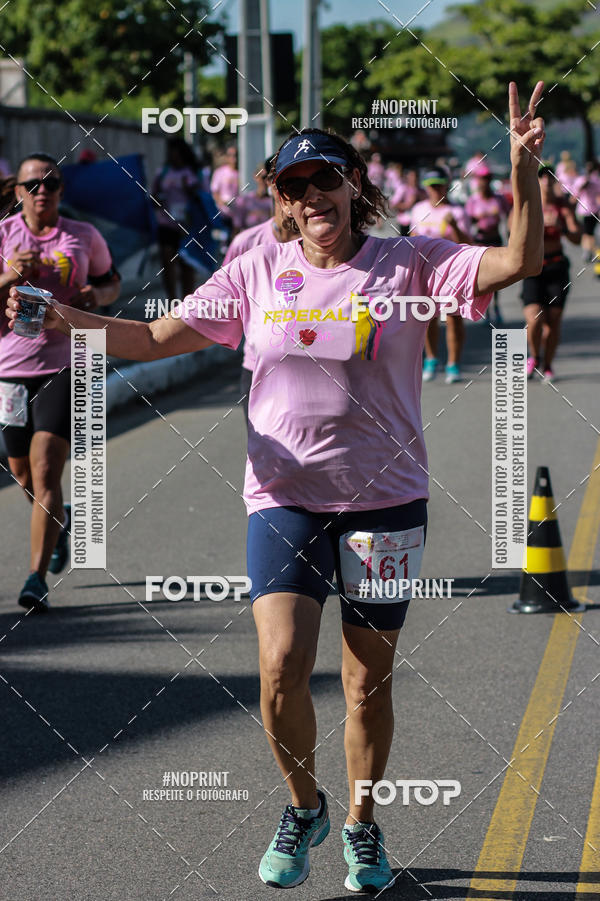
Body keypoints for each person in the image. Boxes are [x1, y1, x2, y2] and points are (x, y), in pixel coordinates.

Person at [6, 83, 545, 893]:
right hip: (283, 495)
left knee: (366, 682)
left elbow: (520, 262)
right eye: (294, 188)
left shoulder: (410, 261)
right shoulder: (257, 263)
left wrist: (526, 171)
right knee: (281, 664)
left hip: (387, 498)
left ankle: (363, 823)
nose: (311, 197)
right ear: (282, 202)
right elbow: (157, 335)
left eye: (324, 180)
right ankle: (305, 806)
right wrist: (67, 323)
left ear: (353, 185)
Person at [0, 152, 121, 611]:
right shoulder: (4, 237)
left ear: (61, 190)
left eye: (50, 183)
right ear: (18, 193)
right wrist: (11, 273)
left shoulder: (83, 236)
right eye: (32, 185)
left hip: (65, 363)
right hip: (9, 370)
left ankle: (35, 578)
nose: (41, 191)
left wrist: (98, 294)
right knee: (22, 472)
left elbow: (112, 283)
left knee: (48, 466)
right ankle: (60, 520)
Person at [222, 160, 298, 423]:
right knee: (264, 458)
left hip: (316, 367)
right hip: (257, 368)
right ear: (270, 186)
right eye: (282, 181)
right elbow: (224, 303)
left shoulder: (325, 244)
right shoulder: (246, 243)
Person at [409, 165, 473, 383]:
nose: (435, 191)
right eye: (431, 187)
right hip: (424, 271)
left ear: (447, 186)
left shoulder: (456, 211)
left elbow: (468, 244)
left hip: (451, 271)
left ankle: (453, 364)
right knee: (427, 318)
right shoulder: (418, 209)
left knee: (453, 320)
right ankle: (431, 358)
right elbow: (411, 239)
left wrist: (455, 227)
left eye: (439, 186)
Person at [519, 164, 581, 383]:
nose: (546, 181)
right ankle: (534, 356)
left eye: (550, 177)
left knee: (553, 321)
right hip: (533, 268)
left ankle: (548, 365)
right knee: (534, 319)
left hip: (556, 268)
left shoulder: (562, 207)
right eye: (542, 177)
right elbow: (512, 233)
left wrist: (562, 228)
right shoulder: (527, 204)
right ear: (537, 180)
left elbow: (577, 237)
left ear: (554, 181)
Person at [152, 137, 200, 301]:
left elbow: (203, 198)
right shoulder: (163, 172)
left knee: (186, 264)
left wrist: (190, 190)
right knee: (167, 260)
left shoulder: (193, 173)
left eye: (177, 153)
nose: (174, 156)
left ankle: (187, 300)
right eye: (171, 153)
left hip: (188, 224)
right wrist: (157, 199)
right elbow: (153, 196)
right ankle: (172, 300)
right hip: (166, 223)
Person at [465, 164, 511, 324]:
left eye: (487, 178)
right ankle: (484, 308)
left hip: (495, 240)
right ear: (478, 181)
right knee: (482, 278)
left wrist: (512, 235)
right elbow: (467, 222)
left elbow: (510, 214)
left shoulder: (498, 199)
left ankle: (496, 306)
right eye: (482, 178)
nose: (485, 181)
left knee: (497, 277)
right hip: (480, 241)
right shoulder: (473, 201)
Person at [230, 162, 272, 235]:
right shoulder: (244, 201)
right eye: (263, 177)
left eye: (269, 178)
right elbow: (236, 228)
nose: (266, 181)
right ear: (256, 177)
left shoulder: (274, 201)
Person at [572, 160, 600, 262]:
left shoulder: (595, 180)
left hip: (591, 210)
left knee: (589, 233)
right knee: (586, 233)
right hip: (584, 211)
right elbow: (575, 194)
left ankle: (590, 251)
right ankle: (589, 251)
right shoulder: (582, 180)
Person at [210, 145, 239, 224]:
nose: (234, 158)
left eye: (235, 155)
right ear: (226, 157)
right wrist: (223, 203)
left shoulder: (242, 173)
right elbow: (215, 192)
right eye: (230, 155)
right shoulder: (219, 172)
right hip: (222, 214)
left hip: (238, 214)